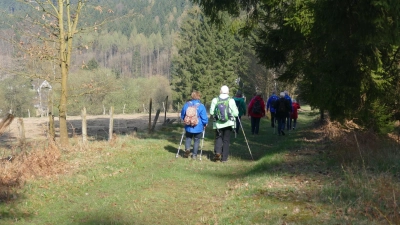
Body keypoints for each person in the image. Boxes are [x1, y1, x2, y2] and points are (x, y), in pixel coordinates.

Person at [210, 85, 239, 162]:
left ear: (220, 91)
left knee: (218, 137)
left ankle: (218, 152)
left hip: (218, 124)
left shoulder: (215, 100)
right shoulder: (231, 100)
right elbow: (236, 114)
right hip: (229, 123)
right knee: (226, 140)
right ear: (228, 92)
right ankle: (224, 158)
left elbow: (211, 112)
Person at [180, 91, 208, 159]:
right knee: (197, 140)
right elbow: (204, 117)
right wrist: (205, 123)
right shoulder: (201, 106)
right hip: (198, 126)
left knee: (188, 138)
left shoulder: (187, 104)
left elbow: (183, 114)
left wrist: (185, 120)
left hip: (188, 125)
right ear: (199, 96)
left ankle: (187, 149)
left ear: (192, 96)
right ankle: (194, 155)